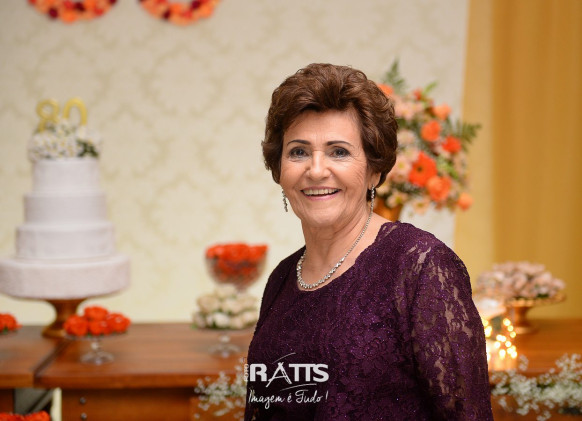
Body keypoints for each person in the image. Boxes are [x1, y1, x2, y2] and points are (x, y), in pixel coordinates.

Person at [244, 63, 493, 421]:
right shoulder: (282, 277)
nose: (316, 170)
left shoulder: (421, 267)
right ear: (279, 169)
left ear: (374, 170)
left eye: (339, 151)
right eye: (298, 151)